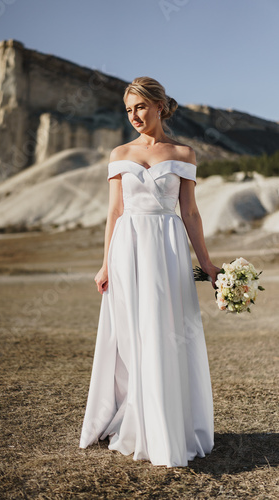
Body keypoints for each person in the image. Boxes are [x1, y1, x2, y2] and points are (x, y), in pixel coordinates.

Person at [79, 76, 221, 468]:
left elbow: (190, 212)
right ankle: (136, 418)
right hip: (127, 248)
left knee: (164, 330)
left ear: (160, 105)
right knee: (130, 334)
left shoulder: (184, 153)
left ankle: (168, 424)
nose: (134, 116)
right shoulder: (119, 153)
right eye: (128, 110)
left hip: (167, 247)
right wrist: (106, 262)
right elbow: (114, 212)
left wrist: (206, 263)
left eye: (140, 106)